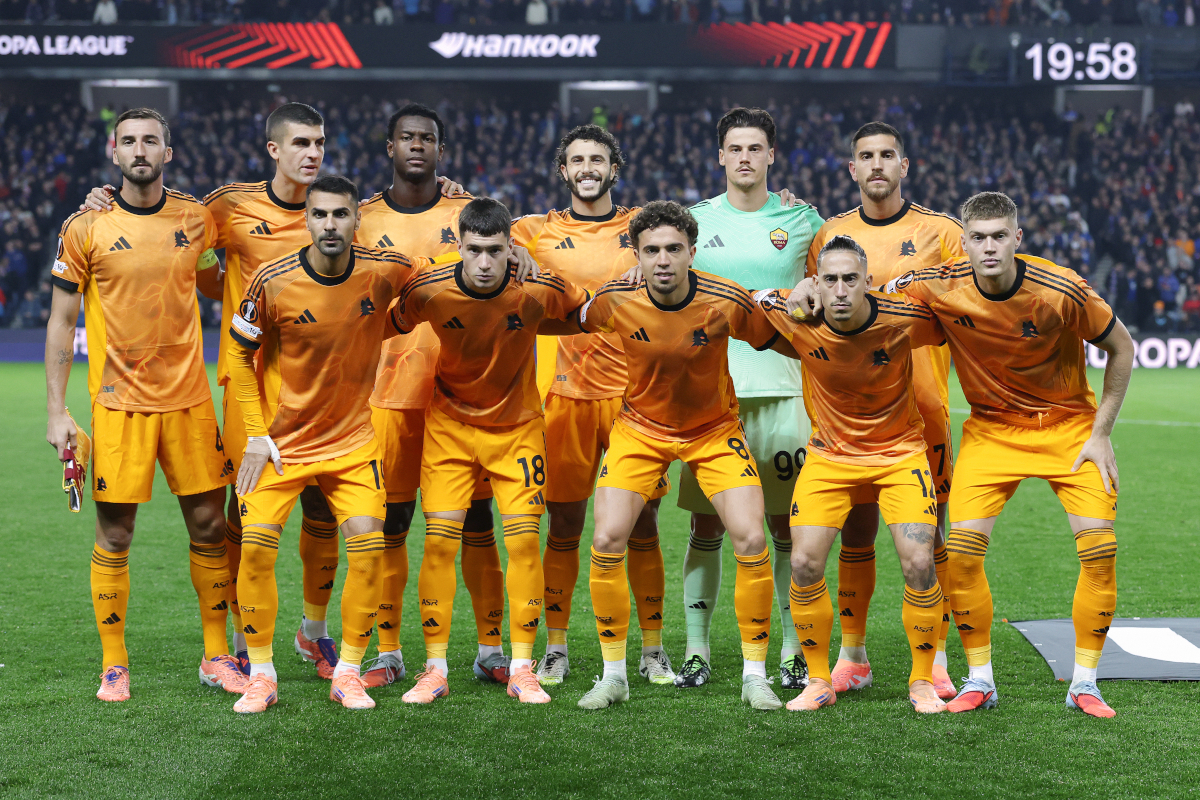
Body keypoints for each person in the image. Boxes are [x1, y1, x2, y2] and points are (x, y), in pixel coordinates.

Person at [81, 104, 466, 677]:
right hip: (253, 392)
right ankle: (241, 636)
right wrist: (104, 202)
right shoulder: (231, 207)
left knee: (324, 511)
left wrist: (446, 190)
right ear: (274, 150)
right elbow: (171, 236)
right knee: (241, 514)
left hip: (328, 393)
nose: (313, 154)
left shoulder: (340, 212)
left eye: (321, 143)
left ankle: (314, 631)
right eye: (302, 143)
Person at [788, 191, 1136, 718]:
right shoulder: (936, 286)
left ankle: (1085, 683)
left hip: (1068, 430)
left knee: (1100, 551)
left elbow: (1123, 347)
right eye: (979, 238)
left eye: (1000, 236)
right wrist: (807, 289)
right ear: (964, 243)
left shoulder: (1062, 288)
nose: (990, 247)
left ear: (1017, 238)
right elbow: (870, 297)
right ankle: (979, 680)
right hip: (992, 432)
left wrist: (1102, 431)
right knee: (963, 555)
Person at [45, 108, 244, 702]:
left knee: (210, 526)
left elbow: (216, 281)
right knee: (116, 533)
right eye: (128, 140)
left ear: (168, 151)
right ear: (114, 153)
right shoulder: (85, 227)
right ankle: (114, 663)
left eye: (150, 140)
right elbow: (60, 323)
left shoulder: (196, 218)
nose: (139, 149)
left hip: (188, 402)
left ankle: (216, 655)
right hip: (117, 404)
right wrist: (57, 412)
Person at [226, 174, 432, 713]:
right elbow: (237, 358)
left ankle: (347, 672)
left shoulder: (383, 269)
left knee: (370, 545)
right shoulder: (270, 281)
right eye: (320, 215)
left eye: (341, 214)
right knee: (254, 549)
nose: (330, 225)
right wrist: (254, 433)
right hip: (282, 444)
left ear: (356, 219)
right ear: (306, 219)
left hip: (351, 442)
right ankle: (263, 674)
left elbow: (440, 282)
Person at [575, 200, 792, 711]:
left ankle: (754, 675)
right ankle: (613, 675)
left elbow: (779, 338)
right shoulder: (615, 299)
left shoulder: (724, 300)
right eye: (651, 250)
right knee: (607, 535)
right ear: (636, 255)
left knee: (751, 535)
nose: (664, 259)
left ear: (692, 252)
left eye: (674, 249)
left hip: (713, 431)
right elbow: (571, 315)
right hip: (639, 429)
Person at [394, 198, 589, 706]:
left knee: (524, 543)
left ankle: (521, 666)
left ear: (511, 249)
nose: (484, 262)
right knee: (439, 543)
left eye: (495, 251)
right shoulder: (429, 288)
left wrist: (538, 267)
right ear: (458, 246)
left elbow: (585, 309)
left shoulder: (538, 287)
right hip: (449, 427)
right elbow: (388, 319)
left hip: (517, 430)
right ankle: (434, 668)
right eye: (475, 250)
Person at [804, 121, 966, 699]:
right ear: (852, 169)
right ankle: (853, 656)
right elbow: (810, 308)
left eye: (887, 155)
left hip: (923, 412)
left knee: (930, 539)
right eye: (865, 156)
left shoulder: (941, 232)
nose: (877, 165)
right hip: (847, 418)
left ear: (905, 165)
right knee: (855, 532)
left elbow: (965, 306)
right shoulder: (829, 236)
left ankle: (938, 658)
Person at [757, 235, 948, 714]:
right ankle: (819, 679)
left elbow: (958, 314)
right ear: (816, 283)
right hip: (830, 457)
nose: (840, 290)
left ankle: (922, 681)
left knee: (921, 563)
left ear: (868, 283)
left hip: (900, 453)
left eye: (850, 280)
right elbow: (746, 300)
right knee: (802, 564)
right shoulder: (795, 313)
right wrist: (796, 289)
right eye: (829, 280)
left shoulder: (904, 318)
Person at [511, 124, 673, 687]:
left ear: (613, 167)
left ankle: (652, 648)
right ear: (563, 170)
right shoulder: (535, 231)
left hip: (636, 397)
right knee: (566, 525)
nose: (587, 168)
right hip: (567, 398)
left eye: (597, 159)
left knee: (644, 524)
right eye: (577, 159)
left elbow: (691, 240)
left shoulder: (643, 228)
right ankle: (556, 646)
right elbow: (469, 231)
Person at [356, 103, 507, 688]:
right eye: (406, 137)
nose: (417, 146)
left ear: (440, 150)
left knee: (475, 522)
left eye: (428, 139)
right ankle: (389, 652)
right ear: (389, 147)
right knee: (391, 523)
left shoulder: (468, 215)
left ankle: (491, 649)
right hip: (387, 396)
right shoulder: (362, 219)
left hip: (460, 399)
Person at [676, 107, 823, 691]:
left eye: (754, 147)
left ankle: (791, 649)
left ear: (770, 155)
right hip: (712, 401)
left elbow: (834, 280)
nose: (744, 157)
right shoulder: (692, 221)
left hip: (787, 392)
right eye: (734, 147)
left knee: (785, 529)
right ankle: (697, 651)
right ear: (720, 156)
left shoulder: (805, 221)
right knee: (706, 529)